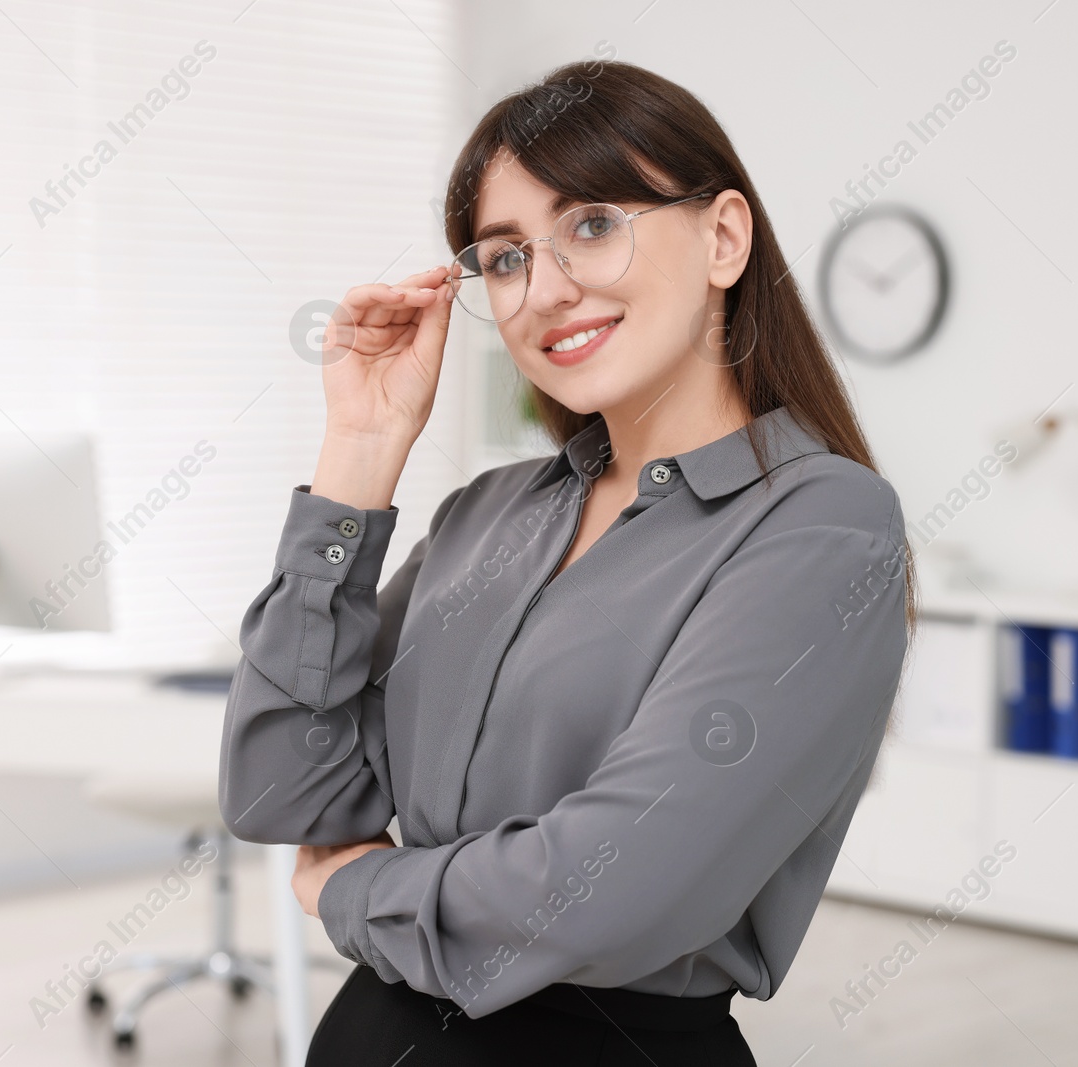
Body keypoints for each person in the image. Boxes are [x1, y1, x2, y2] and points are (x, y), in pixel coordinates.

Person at [221, 58, 914, 1066]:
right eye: (504, 258)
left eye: (592, 223)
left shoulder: (822, 528)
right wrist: (358, 458)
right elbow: (280, 789)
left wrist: (354, 889)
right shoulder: (486, 517)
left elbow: (618, 886)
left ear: (723, 236)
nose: (542, 290)